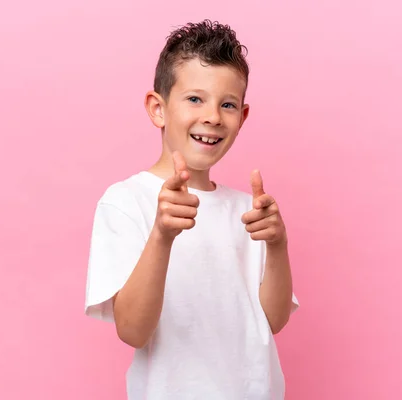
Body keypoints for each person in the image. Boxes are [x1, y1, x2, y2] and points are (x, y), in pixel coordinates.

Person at [85, 19, 299, 399]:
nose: (213, 116)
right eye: (195, 99)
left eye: (228, 104)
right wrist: (162, 236)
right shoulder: (125, 201)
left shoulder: (247, 210)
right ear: (158, 108)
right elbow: (132, 330)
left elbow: (274, 320)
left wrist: (279, 244)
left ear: (242, 117)